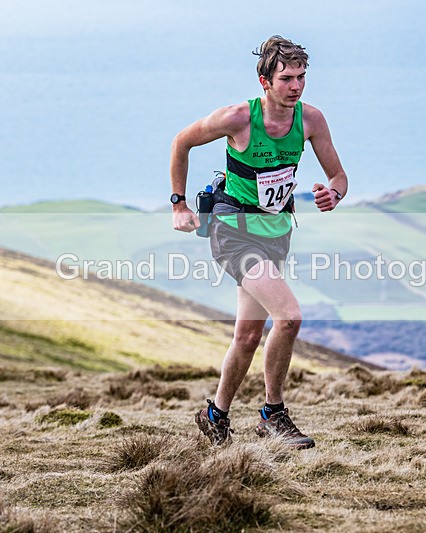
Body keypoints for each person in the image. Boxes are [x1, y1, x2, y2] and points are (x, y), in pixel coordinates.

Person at [169, 35, 348, 449]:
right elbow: (182, 141)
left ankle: (215, 415)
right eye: (287, 78)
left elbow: (339, 176)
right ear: (264, 80)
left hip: (276, 234)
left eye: (302, 77)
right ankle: (273, 414)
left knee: (248, 337)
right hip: (233, 232)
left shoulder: (311, 121)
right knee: (288, 316)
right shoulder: (238, 118)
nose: (296, 86)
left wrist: (333, 194)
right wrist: (179, 204)